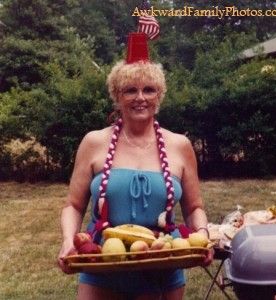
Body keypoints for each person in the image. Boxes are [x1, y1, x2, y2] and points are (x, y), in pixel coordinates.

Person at [58, 32, 213, 300]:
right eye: (130, 90)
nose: (140, 97)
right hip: (102, 265)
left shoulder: (179, 145)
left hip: (164, 261)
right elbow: (73, 205)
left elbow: (194, 207)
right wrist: (68, 240)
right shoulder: (94, 142)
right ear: (117, 97)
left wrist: (202, 235)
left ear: (159, 95)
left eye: (148, 89)